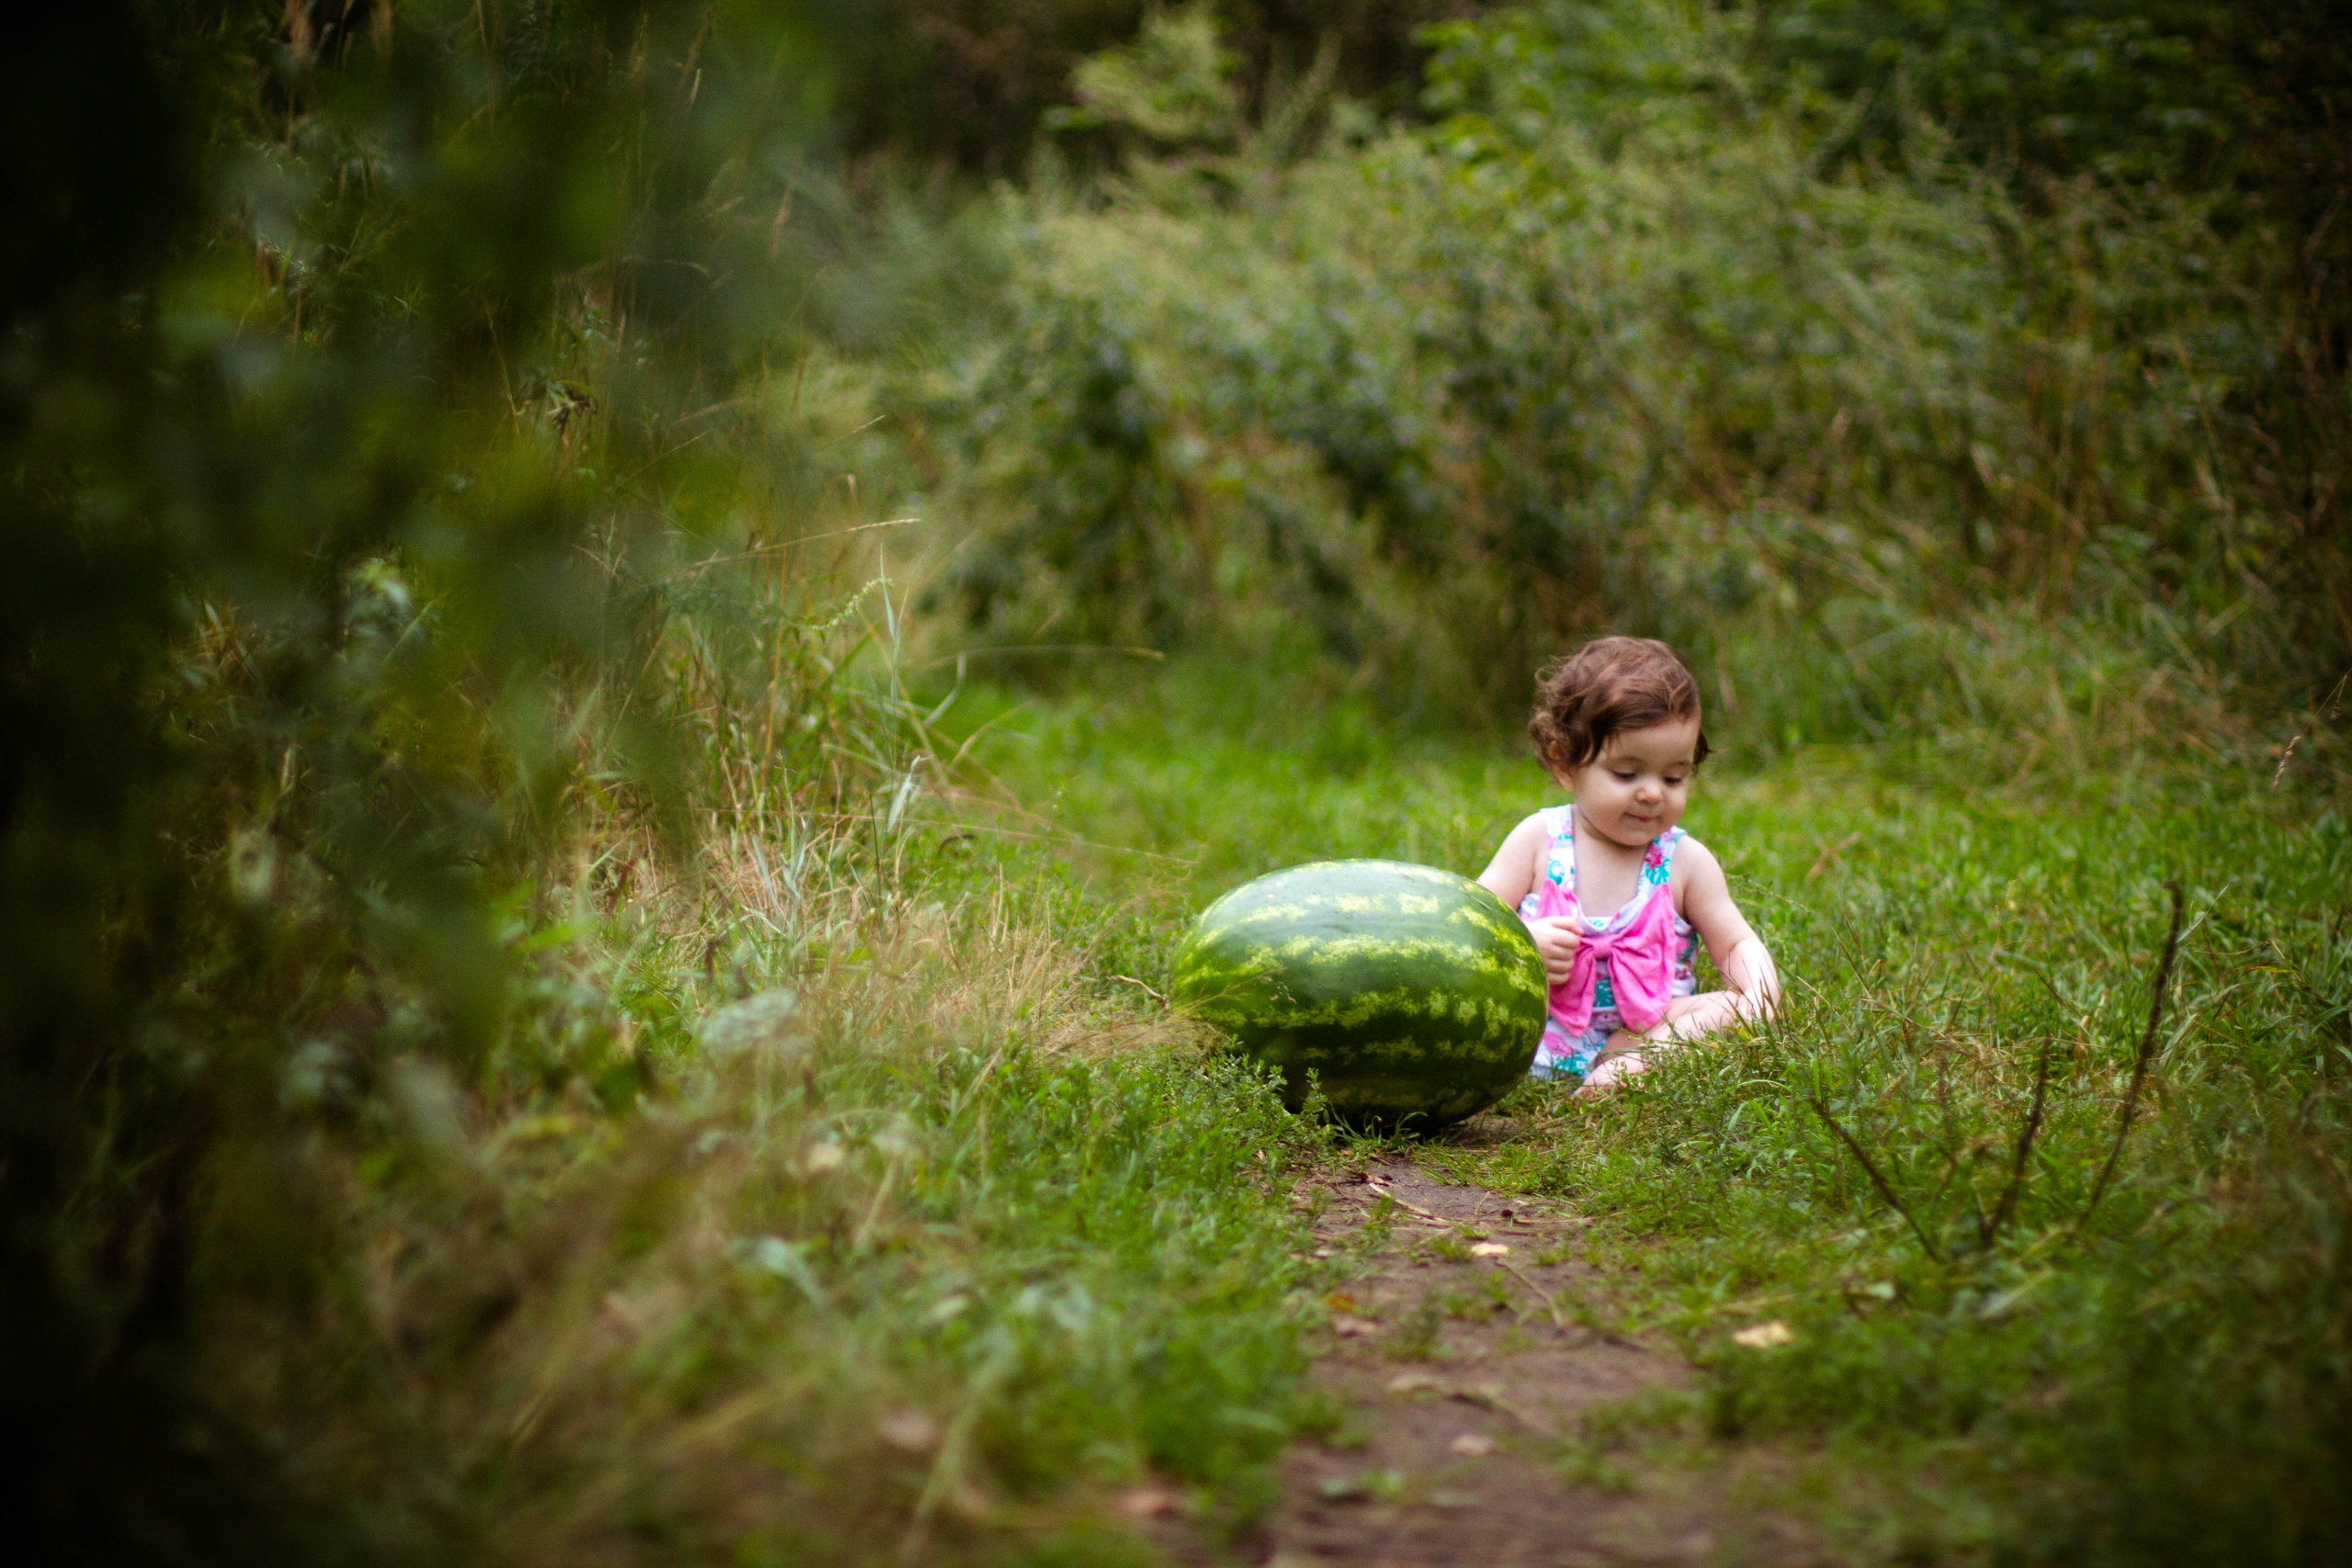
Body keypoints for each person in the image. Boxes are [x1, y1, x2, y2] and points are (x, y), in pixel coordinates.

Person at [1476, 637, 1780, 1094]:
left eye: (1673, 777)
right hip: (1537, 1033)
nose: (1653, 793)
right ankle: (1603, 1074)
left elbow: (1736, 942)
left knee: (1734, 1009)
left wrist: (1758, 995)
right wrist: (1523, 944)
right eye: (1626, 773)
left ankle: (1630, 1067)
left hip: (1647, 1033)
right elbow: (1472, 928)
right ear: (1566, 763)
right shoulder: (1538, 841)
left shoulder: (1685, 863)